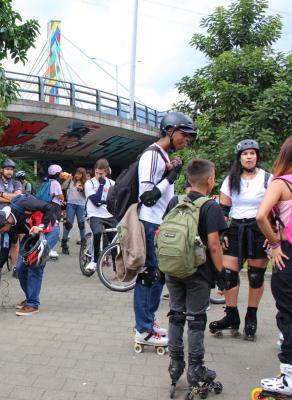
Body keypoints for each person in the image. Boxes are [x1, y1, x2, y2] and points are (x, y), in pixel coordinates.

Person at [163, 159, 228, 394]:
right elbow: (213, 244)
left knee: (176, 315)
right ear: (210, 180)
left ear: (189, 179)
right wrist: (222, 274)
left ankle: (175, 364)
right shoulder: (210, 207)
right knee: (196, 320)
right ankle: (196, 368)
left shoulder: (174, 201)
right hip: (198, 273)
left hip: (173, 268)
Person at [134, 111, 196, 347]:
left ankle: (147, 323)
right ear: (170, 131)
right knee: (149, 276)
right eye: (184, 134)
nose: (186, 140)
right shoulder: (151, 155)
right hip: (149, 221)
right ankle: (143, 329)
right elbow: (147, 196)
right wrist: (171, 177)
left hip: (158, 222)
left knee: (157, 276)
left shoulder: (162, 155)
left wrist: (170, 171)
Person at [209, 139, 272, 341]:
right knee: (228, 275)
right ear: (239, 157)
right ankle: (232, 315)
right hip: (235, 228)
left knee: (256, 276)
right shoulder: (230, 179)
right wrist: (221, 234)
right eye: (245, 154)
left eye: (253, 153)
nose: (249, 156)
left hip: (258, 229)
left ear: (257, 156)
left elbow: (275, 209)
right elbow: (223, 210)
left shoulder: (267, 179)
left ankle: (251, 316)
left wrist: (273, 235)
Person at [256, 137, 292, 397]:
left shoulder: (281, 184)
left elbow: (260, 216)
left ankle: (288, 378)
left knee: (288, 314)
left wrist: (275, 243)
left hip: (287, 256)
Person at [0, 196, 58, 316]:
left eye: (1, 231)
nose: (1, 233)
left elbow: (49, 207)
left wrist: (41, 226)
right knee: (20, 268)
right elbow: (4, 250)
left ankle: (33, 304)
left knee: (35, 264)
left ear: (5, 222)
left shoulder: (23, 204)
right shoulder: (7, 228)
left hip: (50, 230)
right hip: (33, 234)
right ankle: (30, 298)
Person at [0, 159, 22, 272]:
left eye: (11, 169)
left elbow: (18, 197)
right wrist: (10, 199)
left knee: (14, 243)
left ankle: (15, 267)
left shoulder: (17, 183)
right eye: (7, 169)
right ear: (2, 170)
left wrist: (0, 194)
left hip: (12, 216)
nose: (9, 172)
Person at [84, 159, 116, 272]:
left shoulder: (113, 184)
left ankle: (117, 269)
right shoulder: (90, 183)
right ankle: (94, 260)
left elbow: (115, 201)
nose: (98, 175)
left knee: (115, 239)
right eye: (96, 172)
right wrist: (101, 185)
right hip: (94, 214)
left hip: (109, 214)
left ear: (106, 172)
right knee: (97, 232)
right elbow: (96, 201)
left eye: (101, 173)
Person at [61, 167, 87, 254]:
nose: (77, 175)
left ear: (83, 175)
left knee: (81, 224)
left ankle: (83, 243)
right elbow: (63, 187)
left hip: (81, 205)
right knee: (68, 224)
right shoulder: (71, 181)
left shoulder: (86, 183)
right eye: (76, 173)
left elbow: (88, 194)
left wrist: (82, 189)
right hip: (71, 204)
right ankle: (64, 243)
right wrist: (68, 178)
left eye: (79, 174)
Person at [47, 164, 64, 259]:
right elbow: (60, 196)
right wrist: (63, 198)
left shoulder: (48, 181)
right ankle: (49, 249)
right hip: (55, 206)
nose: (61, 174)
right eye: (60, 172)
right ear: (56, 173)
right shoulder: (56, 183)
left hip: (48, 205)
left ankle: (48, 248)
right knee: (55, 227)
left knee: (49, 226)